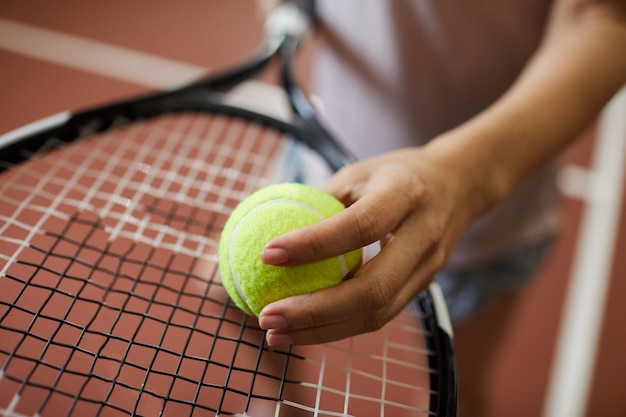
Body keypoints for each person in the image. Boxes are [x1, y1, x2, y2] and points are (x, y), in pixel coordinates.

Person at [258, 0, 626, 415]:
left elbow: (606, 17)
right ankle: (286, 406)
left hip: (479, 220)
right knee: (230, 300)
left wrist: (463, 177)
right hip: (320, 175)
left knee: (457, 394)